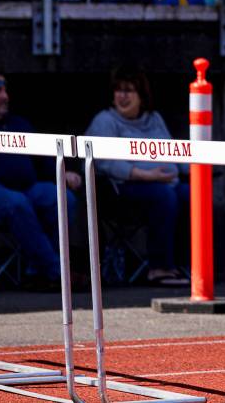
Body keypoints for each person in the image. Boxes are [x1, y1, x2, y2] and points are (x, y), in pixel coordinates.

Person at [0, 66, 84, 291]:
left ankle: (39, 274)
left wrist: (63, 173)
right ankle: (58, 273)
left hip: (27, 188)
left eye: (5, 89)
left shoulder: (19, 124)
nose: (4, 95)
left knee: (61, 198)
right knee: (16, 203)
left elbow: (43, 161)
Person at [84, 65, 189, 287]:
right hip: (121, 190)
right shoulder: (105, 121)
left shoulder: (154, 118)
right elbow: (102, 161)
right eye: (118, 91)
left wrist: (195, 169)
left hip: (166, 183)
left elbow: (174, 150)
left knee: (193, 196)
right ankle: (159, 268)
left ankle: (191, 264)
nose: (122, 96)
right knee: (165, 197)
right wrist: (145, 174)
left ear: (141, 96)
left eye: (129, 90)